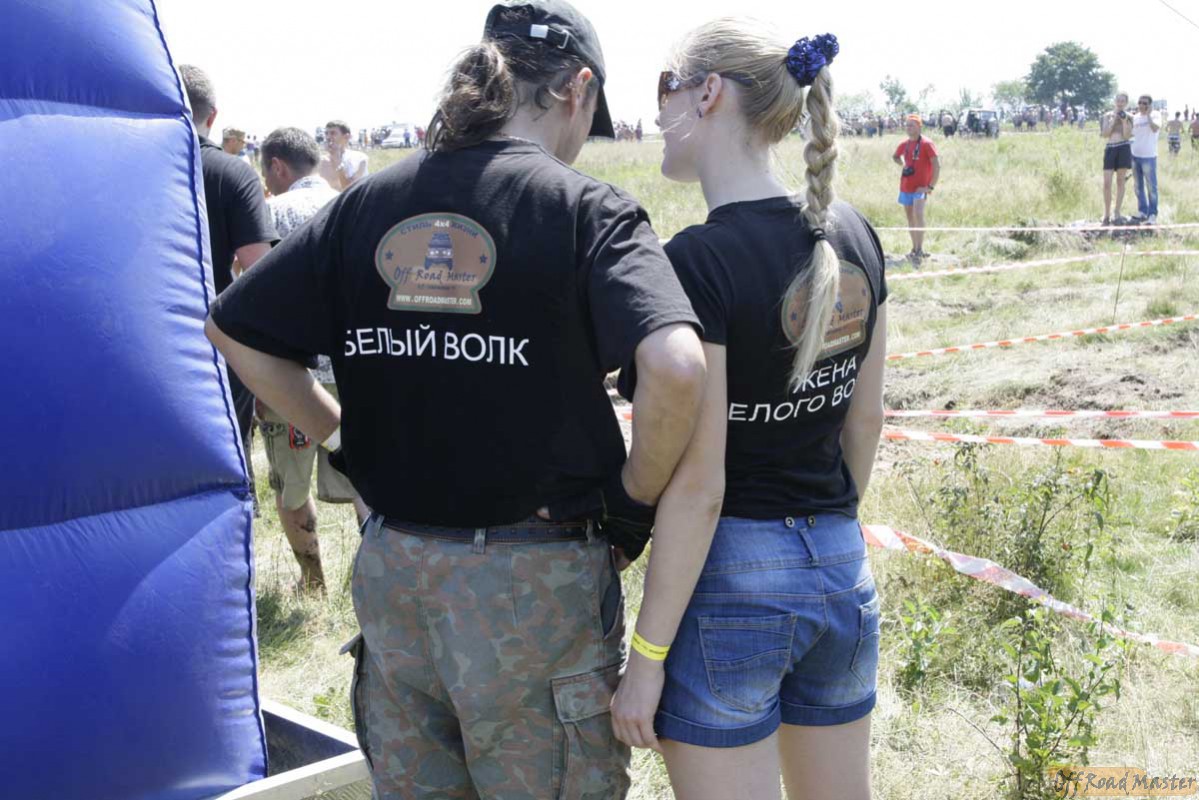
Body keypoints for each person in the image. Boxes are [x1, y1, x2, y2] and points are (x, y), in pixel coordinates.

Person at [204, 1, 709, 797]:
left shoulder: (366, 203)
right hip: (533, 587)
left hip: (396, 574)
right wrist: (633, 499)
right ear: (577, 89)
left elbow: (233, 330)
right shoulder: (584, 208)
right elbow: (676, 366)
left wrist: (343, 442)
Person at [615, 22, 886, 800]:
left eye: (663, 89)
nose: (655, 112)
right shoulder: (855, 233)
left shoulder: (698, 260)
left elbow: (700, 486)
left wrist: (646, 659)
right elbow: (863, 423)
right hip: (840, 564)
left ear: (707, 92)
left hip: (732, 577)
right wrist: (822, 536)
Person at [256, 126, 370, 591]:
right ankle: (375, 578)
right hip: (355, 368)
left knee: (291, 488)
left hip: (293, 377)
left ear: (277, 166)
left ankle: (313, 581)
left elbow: (253, 295)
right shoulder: (356, 206)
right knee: (366, 479)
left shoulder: (271, 213)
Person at [180, 65, 276, 515]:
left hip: (135, 337)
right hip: (215, 337)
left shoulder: (125, 168)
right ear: (213, 116)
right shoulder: (231, 173)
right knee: (228, 455)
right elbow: (258, 268)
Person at [892, 113, 939, 264]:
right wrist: (903, 164)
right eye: (907, 125)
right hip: (906, 186)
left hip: (920, 188)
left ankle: (920, 249)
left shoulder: (927, 143)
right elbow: (895, 156)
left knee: (918, 214)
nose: (908, 128)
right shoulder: (904, 144)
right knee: (910, 218)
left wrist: (930, 186)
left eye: (911, 125)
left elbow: (937, 166)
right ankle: (914, 248)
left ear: (919, 127)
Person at [1100, 93, 1134, 225]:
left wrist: (1124, 121)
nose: (1120, 103)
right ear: (1114, 101)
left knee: (1120, 181)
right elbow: (1105, 134)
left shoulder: (1130, 116)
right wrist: (1113, 120)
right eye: (1118, 100)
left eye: (1123, 101)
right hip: (1110, 148)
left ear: (1126, 103)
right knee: (1107, 183)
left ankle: (1117, 211)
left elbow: (1127, 136)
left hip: (1123, 147)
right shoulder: (1107, 115)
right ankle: (1106, 213)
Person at [1130, 94, 1160, 223]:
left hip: (1149, 156)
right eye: (1140, 103)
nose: (1142, 105)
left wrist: (1148, 115)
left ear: (1150, 105)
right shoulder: (1135, 117)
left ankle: (1152, 214)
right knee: (1138, 186)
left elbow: (1154, 128)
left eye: (1145, 103)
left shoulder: (1155, 115)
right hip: (1135, 155)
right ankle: (1142, 211)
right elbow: (1130, 134)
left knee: (1151, 187)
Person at [317, 119, 369, 191]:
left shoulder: (359, 159)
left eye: (333, 133)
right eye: (326, 133)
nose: (328, 137)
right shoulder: (320, 161)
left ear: (346, 137)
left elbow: (351, 189)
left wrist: (337, 161)